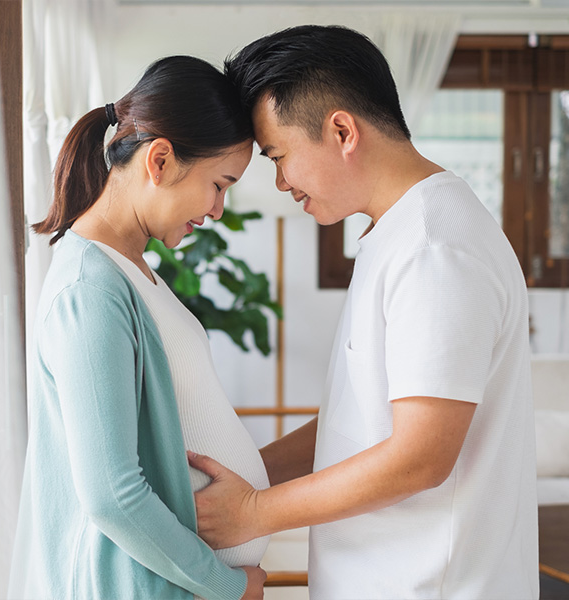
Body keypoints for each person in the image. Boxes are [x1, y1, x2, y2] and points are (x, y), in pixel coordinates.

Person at [188, 25, 539, 600]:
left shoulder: (435, 249)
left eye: (278, 156)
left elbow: (419, 456)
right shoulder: (394, 232)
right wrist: (246, 478)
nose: (280, 182)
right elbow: (368, 423)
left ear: (342, 131)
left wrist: (254, 511)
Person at [7, 55, 269, 600]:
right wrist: (226, 585)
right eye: (219, 184)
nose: (220, 208)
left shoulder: (132, 269)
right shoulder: (91, 289)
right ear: (161, 159)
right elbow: (111, 495)